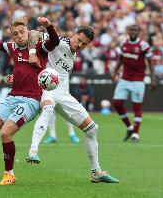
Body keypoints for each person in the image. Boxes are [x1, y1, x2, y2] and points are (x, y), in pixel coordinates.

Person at [0, 16, 60, 185]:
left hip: (30, 100)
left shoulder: (39, 47)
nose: (19, 35)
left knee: (5, 133)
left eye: (22, 32)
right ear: (12, 36)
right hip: (12, 97)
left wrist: (49, 26)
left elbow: (54, 42)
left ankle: (9, 174)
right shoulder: (13, 47)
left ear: (28, 31)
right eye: (15, 34)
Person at [26, 26, 119, 183]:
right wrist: (32, 53)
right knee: (48, 109)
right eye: (79, 40)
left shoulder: (73, 53)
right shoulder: (58, 41)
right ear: (73, 34)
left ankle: (96, 172)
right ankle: (33, 150)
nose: (80, 45)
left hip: (63, 94)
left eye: (84, 44)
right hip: (47, 89)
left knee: (92, 129)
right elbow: (32, 34)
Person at [111, 24, 156, 142]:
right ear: (128, 31)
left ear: (139, 32)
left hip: (138, 80)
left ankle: (136, 133)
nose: (133, 32)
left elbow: (150, 62)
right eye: (131, 30)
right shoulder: (124, 44)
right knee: (117, 103)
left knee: (137, 106)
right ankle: (130, 127)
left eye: (136, 30)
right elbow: (121, 59)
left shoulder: (143, 45)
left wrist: (153, 79)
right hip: (124, 79)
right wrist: (115, 71)